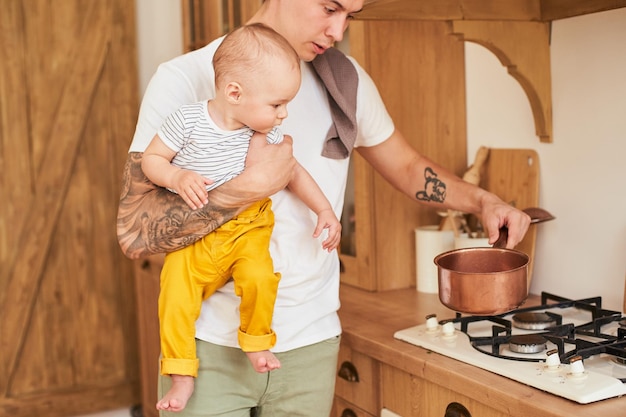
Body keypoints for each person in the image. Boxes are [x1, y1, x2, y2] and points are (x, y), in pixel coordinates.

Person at [116, 1, 531, 415]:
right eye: (330, 7)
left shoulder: (345, 82)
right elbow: (136, 230)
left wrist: (483, 201)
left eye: (351, 16)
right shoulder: (185, 79)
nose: (338, 30)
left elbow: (405, 166)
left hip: (311, 345)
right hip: (208, 349)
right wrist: (250, 186)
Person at [140, 23, 342, 413]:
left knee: (260, 278)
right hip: (196, 240)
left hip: (248, 230)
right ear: (235, 92)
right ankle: (181, 375)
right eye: (277, 105)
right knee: (175, 294)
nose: (284, 114)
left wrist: (325, 210)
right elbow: (152, 160)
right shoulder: (186, 121)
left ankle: (255, 342)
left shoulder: (260, 135)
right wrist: (177, 176)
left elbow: (294, 172)